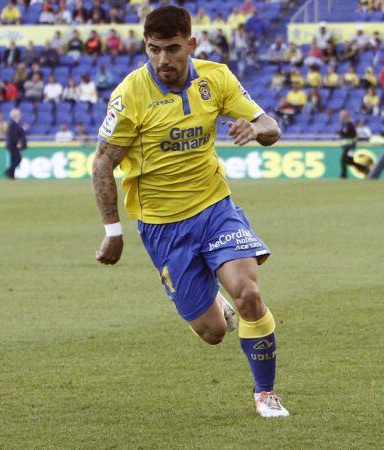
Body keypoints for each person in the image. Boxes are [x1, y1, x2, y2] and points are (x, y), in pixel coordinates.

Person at [91, 6, 289, 418]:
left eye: (173, 49)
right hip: (163, 227)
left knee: (250, 294)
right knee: (213, 332)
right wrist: (113, 230)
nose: (163, 59)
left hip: (215, 207)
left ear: (191, 45)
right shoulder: (130, 96)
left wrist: (256, 129)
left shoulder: (215, 78)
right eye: (154, 49)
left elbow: (270, 124)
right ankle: (214, 301)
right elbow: (102, 163)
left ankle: (266, 394)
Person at [338, 109, 368, 179]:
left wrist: (343, 133)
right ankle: (365, 169)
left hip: (350, 147)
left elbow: (353, 135)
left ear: (345, 116)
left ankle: (344, 176)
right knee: (349, 161)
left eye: (341, 116)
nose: (340, 117)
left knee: (344, 161)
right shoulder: (346, 125)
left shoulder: (350, 124)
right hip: (347, 147)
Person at [5, 108, 27, 179]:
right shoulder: (13, 124)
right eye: (18, 114)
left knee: (14, 159)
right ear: (15, 115)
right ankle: (9, 171)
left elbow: (18, 132)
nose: (20, 116)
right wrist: (18, 142)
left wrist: (23, 129)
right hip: (13, 145)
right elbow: (14, 135)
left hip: (12, 145)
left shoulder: (14, 124)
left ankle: (11, 175)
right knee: (18, 159)